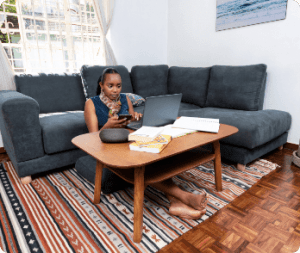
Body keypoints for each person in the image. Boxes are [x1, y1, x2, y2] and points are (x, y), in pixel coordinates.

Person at [84, 68, 208, 219]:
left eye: (118, 86)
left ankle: (175, 203)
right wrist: (107, 126)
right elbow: (92, 139)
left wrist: (135, 118)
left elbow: (129, 121)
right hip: (107, 146)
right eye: (110, 86)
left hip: (128, 140)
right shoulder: (91, 103)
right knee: (142, 167)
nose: (115, 90)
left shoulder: (125, 99)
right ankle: (184, 197)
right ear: (101, 85)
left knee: (155, 157)